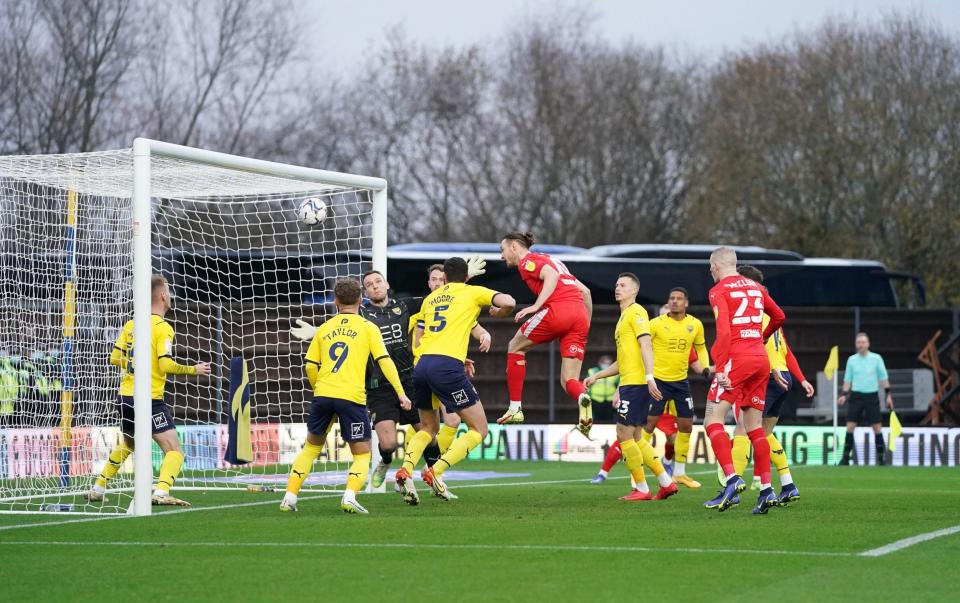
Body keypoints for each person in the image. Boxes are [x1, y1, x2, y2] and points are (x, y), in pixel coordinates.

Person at [280, 278, 411, 514]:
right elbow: (385, 361)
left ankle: (290, 497)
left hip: (323, 394)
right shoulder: (368, 327)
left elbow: (310, 365)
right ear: (361, 300)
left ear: (336, 301)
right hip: (352, 397)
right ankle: (349, 496)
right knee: (362, 454)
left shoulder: (326, 327)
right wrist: (401, 393)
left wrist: (319, 388)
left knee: (310, 448)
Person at [396, 257, 516, 500]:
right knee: (479, 429)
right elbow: (509, 302)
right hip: (446, 368)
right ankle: (435, 471)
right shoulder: (472, 292)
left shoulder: (431, 299)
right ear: (466, 276)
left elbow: (426, 336)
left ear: (446, 277)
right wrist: (499, 311)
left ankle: (405, 469)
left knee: (428, 428)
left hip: (422, 366)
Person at [87, 275, 211, 506]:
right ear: (163, 296)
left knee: (129, 445)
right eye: (169, 291)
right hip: (149, 400)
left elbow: (115, 358)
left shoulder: (132, 324)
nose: (170, 295)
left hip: (125, 397)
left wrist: (138, 365)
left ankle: (98, 487)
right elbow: (164, 365)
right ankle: (161, 492)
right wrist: (193, 370)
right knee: (174, 451)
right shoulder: (162, 328)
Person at [702, 247, 785, 515]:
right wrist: (761, 337)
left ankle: (732, 479)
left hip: (736, 359)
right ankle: (766, 491)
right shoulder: (756, 287)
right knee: (754, 427)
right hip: (760, 360)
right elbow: (780, 316)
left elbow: (724, 332)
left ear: (715, 265)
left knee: (712, 420)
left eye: (710, 266)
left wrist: (720, 366)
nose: (710, 270)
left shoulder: (718, 291)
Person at [583, 273, 678, 501]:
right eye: (616, 285)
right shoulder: (624, 317)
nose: (618, 288)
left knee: (623, 433)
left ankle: (643, 489)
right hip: (630, 383)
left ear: (634, 290)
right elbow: (623, 360)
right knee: (635, 437)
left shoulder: (636, 312)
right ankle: (666, 483)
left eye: (623, 285)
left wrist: (649, 377)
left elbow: (646, 343)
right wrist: (599, 377)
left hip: (636, 384)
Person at [725, 266, 815, 503]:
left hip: (768, 376)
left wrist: (772, 370)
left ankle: (732, 489)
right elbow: (786, 351)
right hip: (783, 377)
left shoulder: (753, 314)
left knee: (744, 428)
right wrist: (801, 379)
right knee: (765, 433)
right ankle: (788, 484)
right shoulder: (769, 314)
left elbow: (757, 348)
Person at [497, 232, 594, 435]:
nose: (501, 256)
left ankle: (515, 408)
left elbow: (551, 275)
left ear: (514, 246)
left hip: (559, 310)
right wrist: (585, 325)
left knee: (515, 346)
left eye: (502, 250)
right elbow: (585, 291)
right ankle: (582, 398)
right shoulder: (551, 258)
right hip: (580, 315)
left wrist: (536, 306)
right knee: (569, 381)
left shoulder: (527, 262)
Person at [643, 287, 709, 489]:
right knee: (648, 426)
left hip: (681, 383)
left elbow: (700, 347)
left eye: (679, 299)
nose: (675, 301)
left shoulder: (695, 324)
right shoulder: (655, 324)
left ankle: (679, 473)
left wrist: (705, 367)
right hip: (659, 381)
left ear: (686, 303)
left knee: (686, 426)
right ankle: (637, 472)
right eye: (671, 298)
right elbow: (643, 348)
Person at [838, 332, 894, 465]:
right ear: (856, 344)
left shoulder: (876, 359)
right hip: (856, 396)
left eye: (863, 342)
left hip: (871, 395)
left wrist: (888, 396)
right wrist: (843, 395)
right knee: (850, 426)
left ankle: (882, 458)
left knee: (877, 427)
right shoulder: (851, 360)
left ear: (868, 344)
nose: (861, 344)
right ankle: (845, 458)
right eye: (858, 342)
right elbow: (847, 380)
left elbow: (883, 378)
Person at [586, 355, 619, 424]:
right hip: (596, 399)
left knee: (609, 420)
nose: (606, 365)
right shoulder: (592, 371)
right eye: (604, 363)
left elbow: (619, 385)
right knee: (596, 420)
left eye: (608, 363)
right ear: (600, 363)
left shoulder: (615, 374)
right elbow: (587, 386)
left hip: (609, 400)